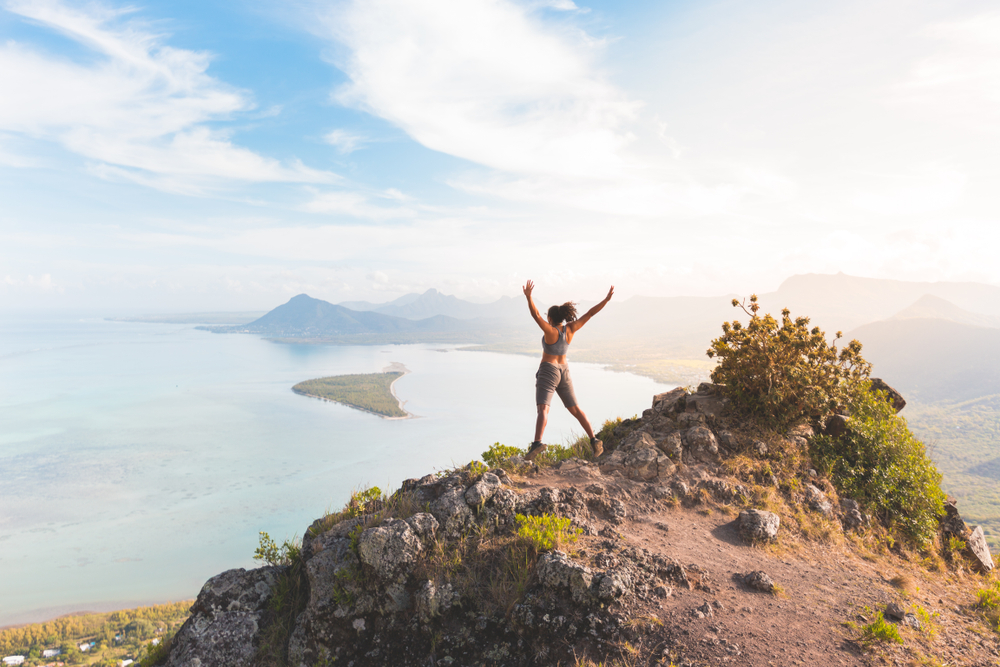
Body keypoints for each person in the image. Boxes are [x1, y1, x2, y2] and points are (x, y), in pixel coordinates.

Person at [522, 280, 614, 461]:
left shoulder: (550, 331)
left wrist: (529, 297)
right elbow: (590, 313)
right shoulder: (570, 329)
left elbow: (535, 314)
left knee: (543, 408)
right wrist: (606, 300)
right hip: (564, 371)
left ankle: (537, 443)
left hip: (549, 370)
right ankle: (594, 440)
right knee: (576, 409)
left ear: (550, 318)